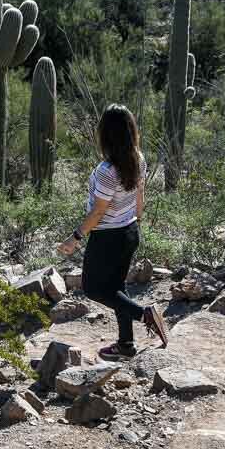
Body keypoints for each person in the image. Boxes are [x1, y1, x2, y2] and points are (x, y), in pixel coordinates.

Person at [57, 103, 168, 360]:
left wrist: (74, 238)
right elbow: (140, 196)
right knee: (117, 288)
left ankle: (145, 315)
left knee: (93, 288)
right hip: (129, 232)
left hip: (108, 237)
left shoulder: (106, 171)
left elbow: (98, 212)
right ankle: (126, 345)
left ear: (105, 134)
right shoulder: (138, 159)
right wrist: (136, 221)